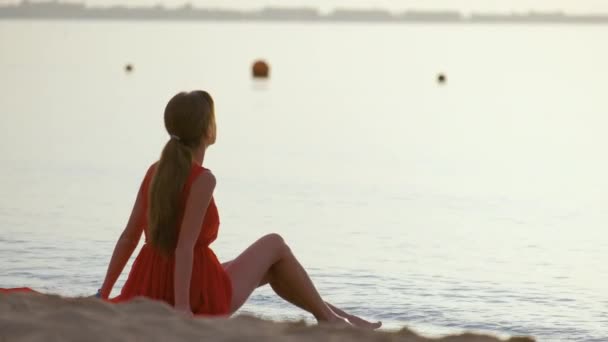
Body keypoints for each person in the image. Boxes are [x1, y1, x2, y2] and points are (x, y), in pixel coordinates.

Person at [99, 90, 382, 328]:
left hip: (149, 284)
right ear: (208, 129)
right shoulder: (202, 179)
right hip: (194, 293)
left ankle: (339, 316)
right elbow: (184, 248)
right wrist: (183, 309)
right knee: (274, 244)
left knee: (271, 268)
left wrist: (104, 292)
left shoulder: (155, 171)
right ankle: (331, 319)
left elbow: (129, 236)